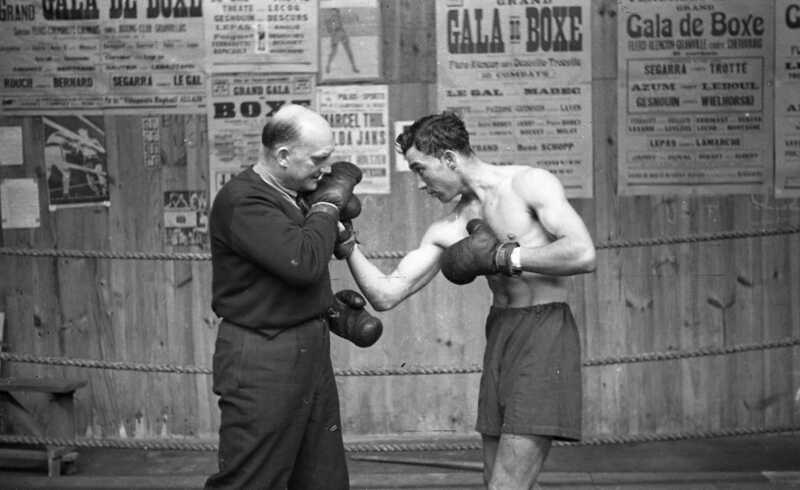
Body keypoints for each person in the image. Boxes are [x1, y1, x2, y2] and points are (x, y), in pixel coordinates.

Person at [339, 112, 596, 489]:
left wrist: (505, 257)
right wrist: (346, 242)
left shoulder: (528, 184)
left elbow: (583, 253)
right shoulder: (450, 227)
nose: (419, 184)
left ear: (448, 158)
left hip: (545, 332)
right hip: (501, 333)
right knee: (499, 480)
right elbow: (387, 294)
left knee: (506, 485)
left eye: (420, 169)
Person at [205, 103, 382, 489]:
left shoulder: (292, 194)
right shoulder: (244, 201)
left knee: (323, 478)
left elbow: (284, 275)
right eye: (318, 159)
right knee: (252, 480)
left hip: (309, 349)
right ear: (283, 155)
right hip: (262, 355)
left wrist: (326, 307)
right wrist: (328, 204)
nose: (324, 169)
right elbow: (301, 262)